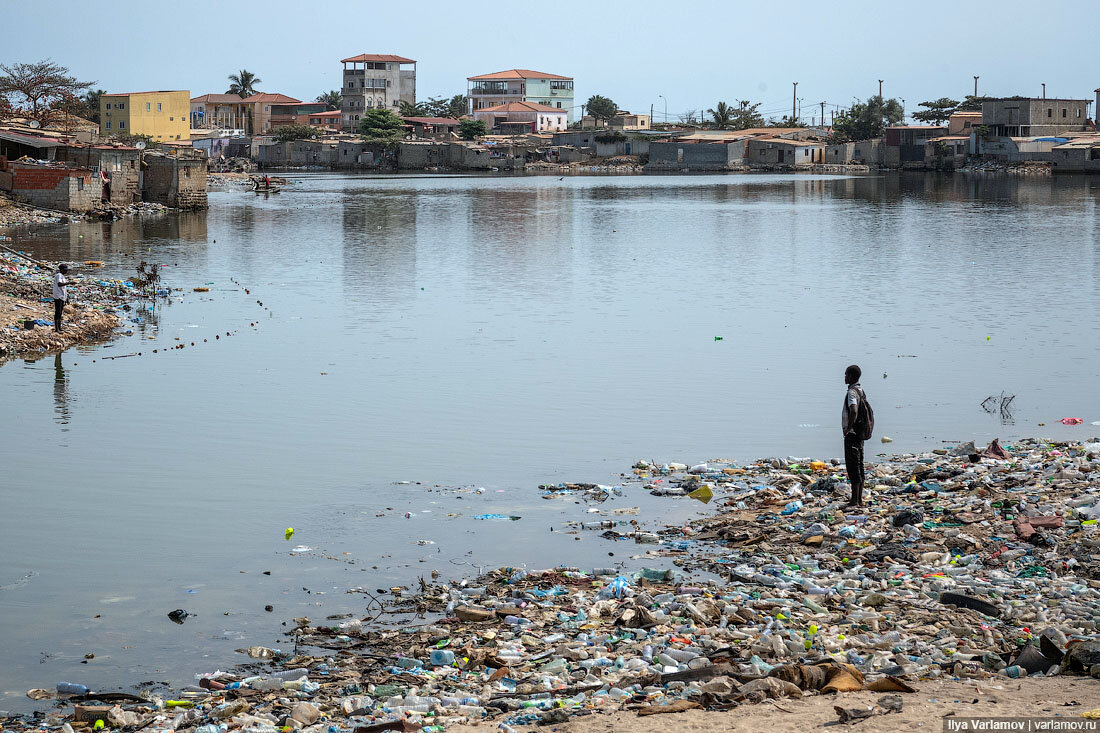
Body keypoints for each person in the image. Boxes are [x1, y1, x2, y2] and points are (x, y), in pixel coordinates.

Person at [842, 364, 867, 506]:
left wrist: (848, 428)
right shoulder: (861, 390)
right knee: (859, 465)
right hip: (860, 434)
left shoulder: (852, 392)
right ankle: (859, 499)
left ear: (851, 376)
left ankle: (854, 500)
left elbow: (854, 410)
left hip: (852, 433)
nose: (844, 376)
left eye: (846, 374)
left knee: (853, 467)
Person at [53, 264, 70, 332]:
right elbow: (59, 284)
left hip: (62, 296)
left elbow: (64, 289)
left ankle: (59, 328)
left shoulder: (62, 276)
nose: (66, 271)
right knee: (58, 312)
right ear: (61, 269)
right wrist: (69, 283)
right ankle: (57, 329)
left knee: (60, 313)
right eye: (65, 269)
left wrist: (66, 298)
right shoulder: (59, 275)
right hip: (58, 296)